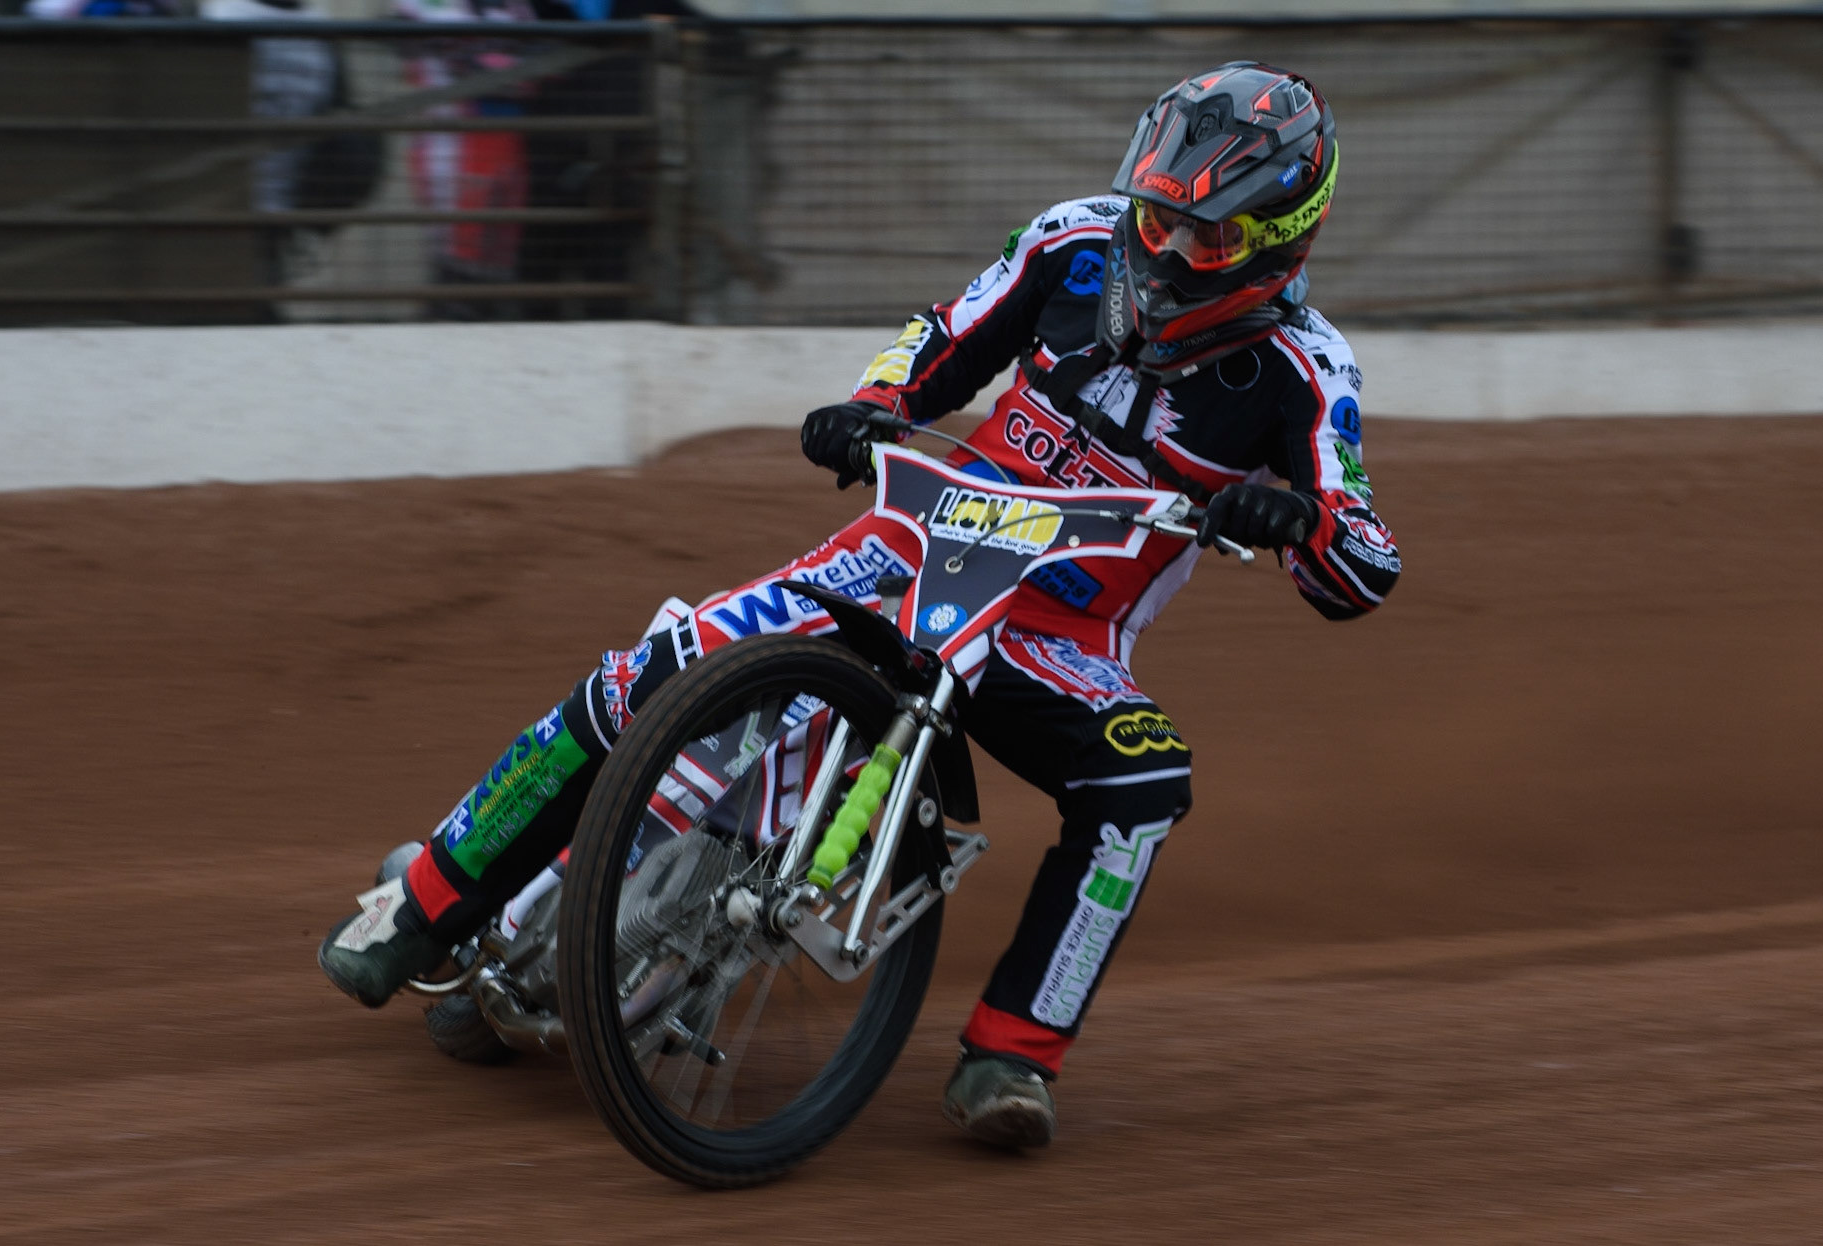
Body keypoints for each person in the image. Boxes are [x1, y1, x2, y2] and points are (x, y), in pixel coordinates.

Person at [318, 62, 1400, 1149]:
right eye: (1156, 217)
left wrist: (1298, 521)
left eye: (1204, 238)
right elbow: (941, 335)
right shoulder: (1075, 239)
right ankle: (420, 903)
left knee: (1144, 783)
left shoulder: (1309, 371)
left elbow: (1362, 560)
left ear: (1279, 244)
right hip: (902, 549)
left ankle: (1014, 1056)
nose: (1161, 251)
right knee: (656, 667)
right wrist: (872, 401)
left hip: (1056, 634)